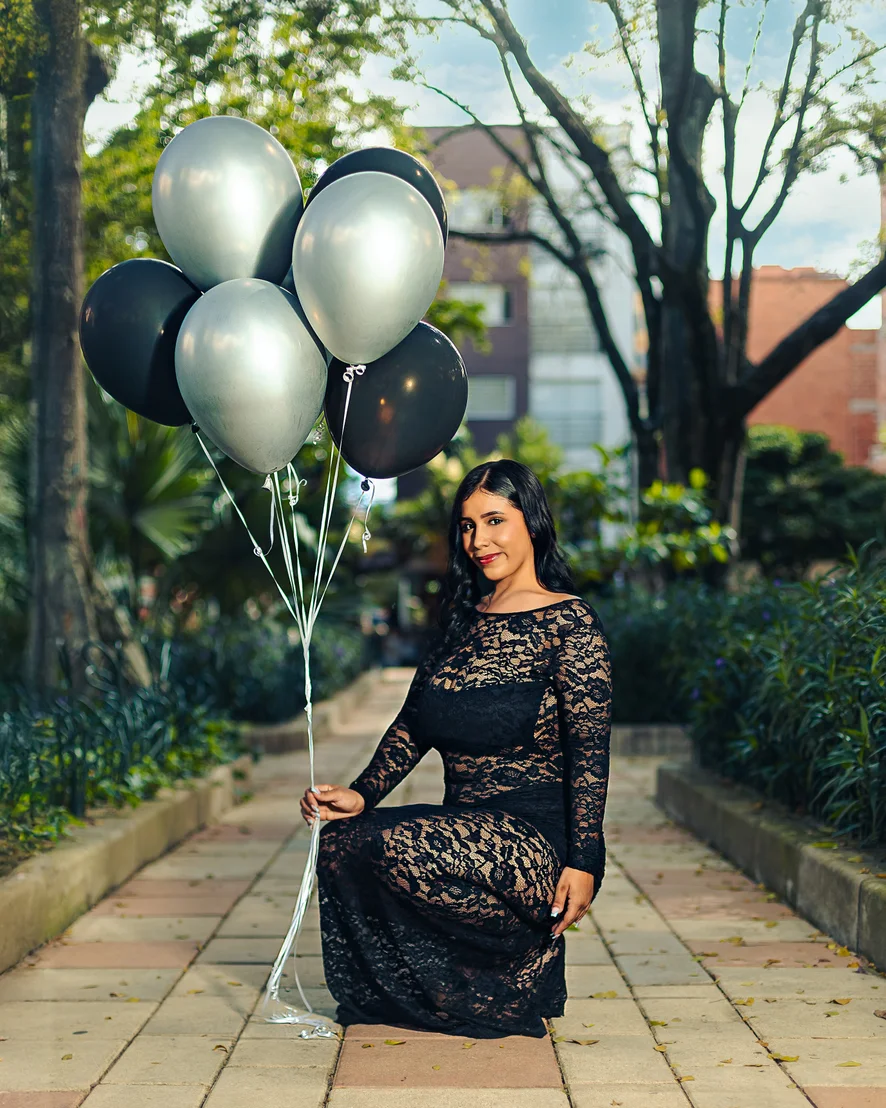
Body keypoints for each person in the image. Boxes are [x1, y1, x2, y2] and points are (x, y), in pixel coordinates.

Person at [301, 460, 612, 1039]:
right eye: (467, 526)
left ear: (531, 522)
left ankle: (520, 958)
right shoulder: (462, 624)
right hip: (464, 835)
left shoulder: (570, 623)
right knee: (342, 842)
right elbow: (413, 726)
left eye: (494, 521)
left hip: (532, 841)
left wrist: (585, 862)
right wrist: (362, 794)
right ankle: (436, 989)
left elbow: (589, 754)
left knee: (394, 846)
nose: (478, 540)